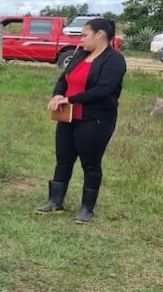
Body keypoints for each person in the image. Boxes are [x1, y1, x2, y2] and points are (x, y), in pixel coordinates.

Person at [37, 19, 126, 223]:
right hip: (67, 117)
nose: (81, 39)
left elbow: (102, 91)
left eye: (84, 35)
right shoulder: (79, 55)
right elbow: (63, 80)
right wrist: (57, 96)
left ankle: (87, 208)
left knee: (91, 163)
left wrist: (70, 99)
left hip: (95, 120)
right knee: (63, 159)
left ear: (100, 35)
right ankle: (55, 201)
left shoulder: (114, 60)